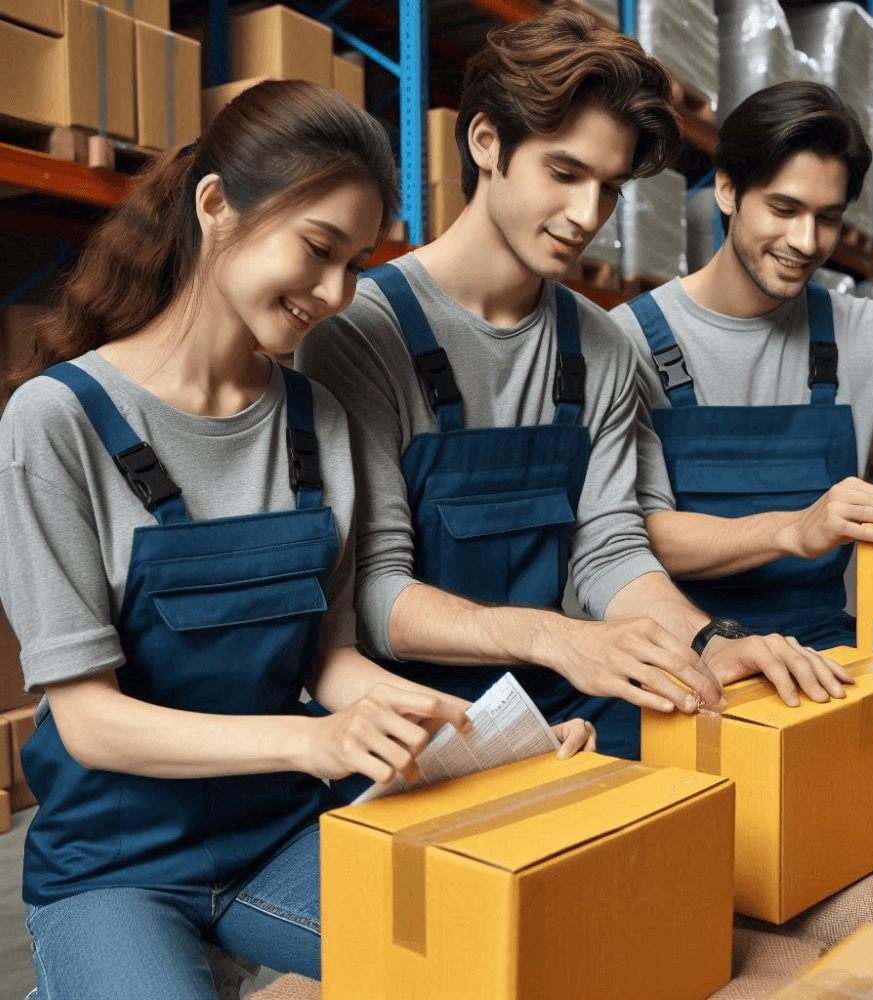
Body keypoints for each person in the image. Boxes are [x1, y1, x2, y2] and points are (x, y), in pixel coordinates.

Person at [0, 80, 594, 1000]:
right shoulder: (56, 422)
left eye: (356, 264)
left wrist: (490, 735)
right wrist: (311, 746)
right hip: (116, 866)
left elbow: (331, 665)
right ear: (215, 207)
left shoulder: (319, 420)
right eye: (318, 249)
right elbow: (87, 720)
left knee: (484, 962)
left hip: (283, 837)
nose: (333, 294)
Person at [299, 9, 848, 773]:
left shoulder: (601, 344)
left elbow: (609, 550)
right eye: (564, 173)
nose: (588, 216)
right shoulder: (359, 336)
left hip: (566, 698)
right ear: (486, 142)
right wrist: (557, 637)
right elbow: (377, 595)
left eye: (611, 188)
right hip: (414, 716)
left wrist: (708, 641)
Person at [611, 80, 873, 653]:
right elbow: (635, 537)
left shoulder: (863, 334)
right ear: (726, 189)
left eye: (827, 218)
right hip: (681, 647)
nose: (805, 241)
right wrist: (795, 529)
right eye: (784, 208)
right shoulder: (629, 341)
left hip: (824, 645)